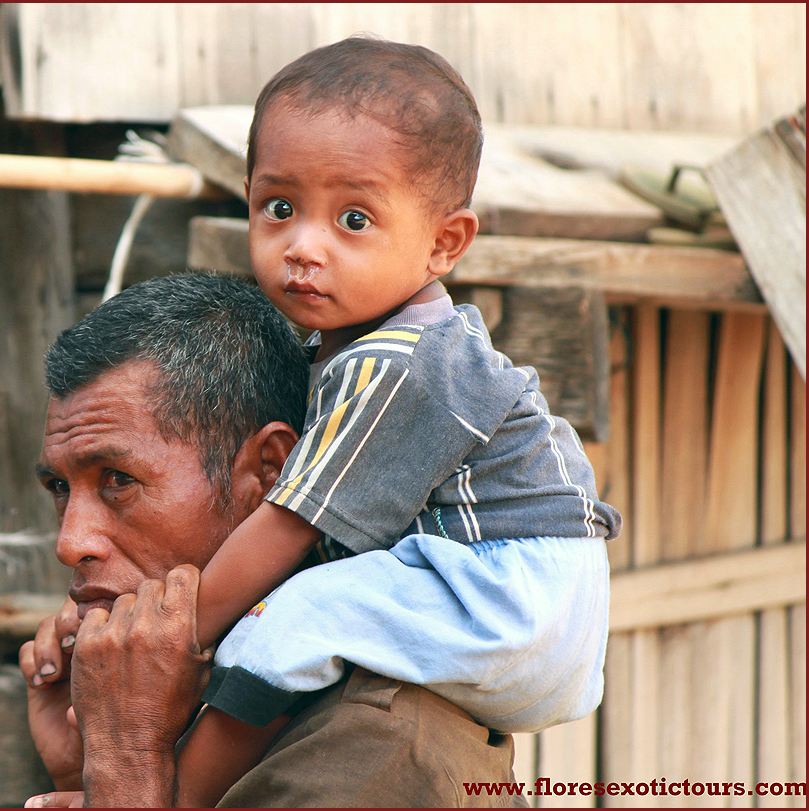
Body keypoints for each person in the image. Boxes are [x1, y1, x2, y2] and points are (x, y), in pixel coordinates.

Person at [165, 35, 622, 807]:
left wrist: (178, 639)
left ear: (444, 241)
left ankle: (167, 797)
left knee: (287, 622)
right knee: (302, 633)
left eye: (352, 218)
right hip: (516, 599)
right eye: (277, 207)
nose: (302, 246)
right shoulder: (357, 348)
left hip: (508, 593)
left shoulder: (400, 360)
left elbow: (286, 526)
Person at [21, 271, 530, 808]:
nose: (70, 542)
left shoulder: (373, 754)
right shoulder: (204, 708)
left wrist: (126, 759)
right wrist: (84, 768)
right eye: (58, 486)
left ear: (271, 470)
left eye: (118, 480)